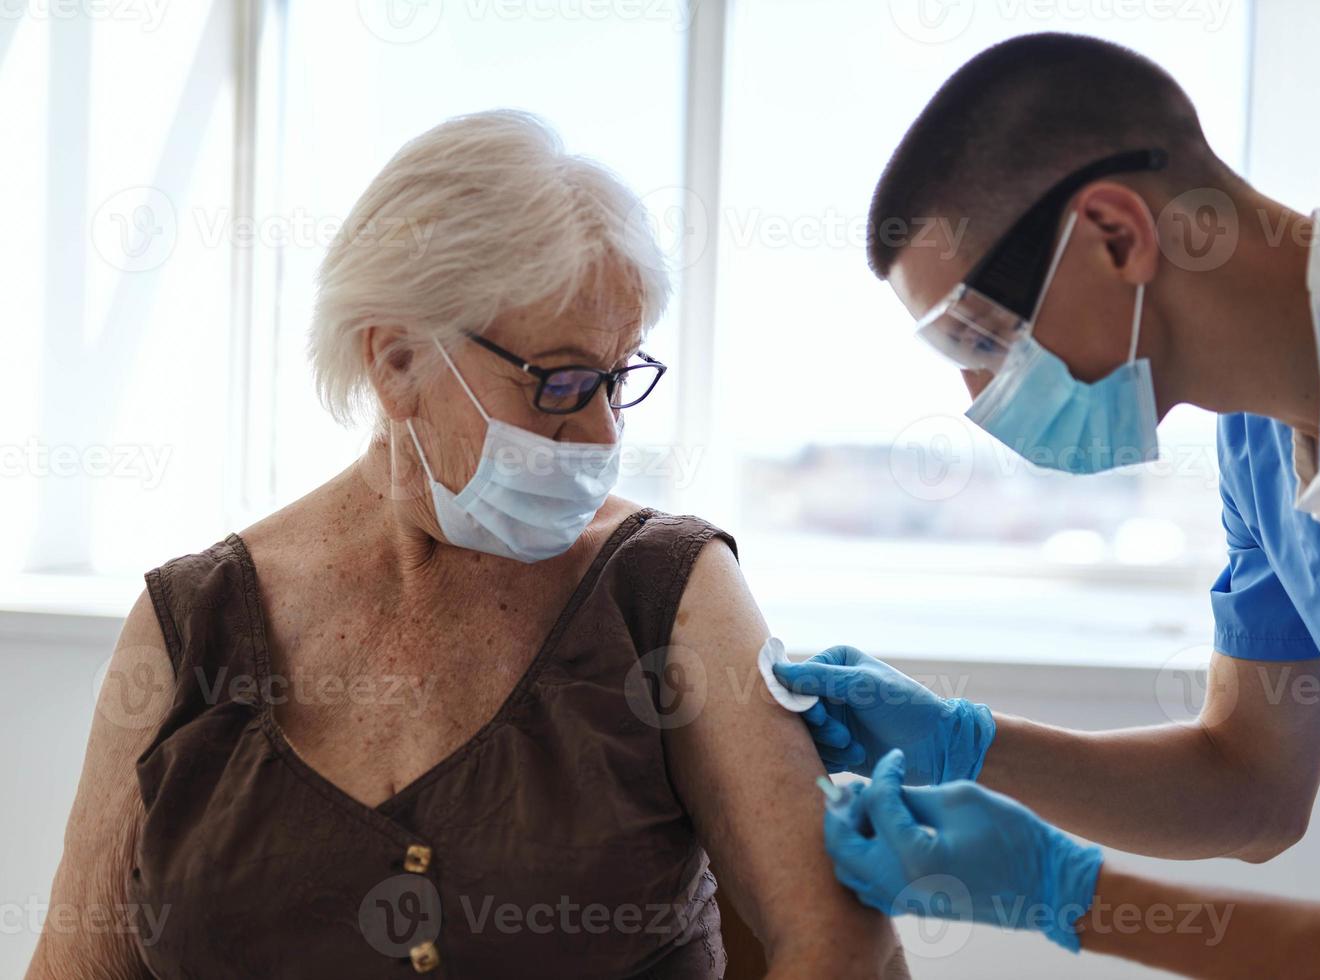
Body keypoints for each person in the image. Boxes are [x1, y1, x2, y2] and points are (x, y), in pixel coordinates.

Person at [28, 111, 905, 979]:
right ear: (397, 361)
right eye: (559, 382)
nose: (601, 432)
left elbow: (841, 945)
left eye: (619, 376)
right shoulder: (192, 624)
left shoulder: (666, 592)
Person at [775, 32, 1320, 978]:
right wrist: (965, 745)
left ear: (1118, 235)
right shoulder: (1260, 431)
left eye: (980, 339)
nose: (980, 399)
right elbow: (1251, 787)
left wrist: (1074, 900)